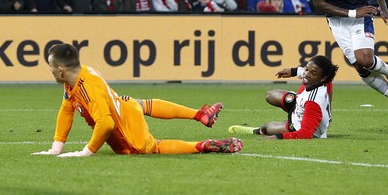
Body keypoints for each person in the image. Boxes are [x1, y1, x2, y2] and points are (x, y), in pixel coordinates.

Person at [32, 43, 242, 157]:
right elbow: (66, 110)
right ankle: (199, 114)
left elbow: (106, 124)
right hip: (126, 107)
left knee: (154, 147)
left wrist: (85, 152)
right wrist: (55, 149)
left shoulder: (87, 87)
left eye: (51, 67)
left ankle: (202, 145)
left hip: (127, 134)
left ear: (61, 70)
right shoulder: (80, 74)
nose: (50, 70)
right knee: (141, 104)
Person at [228, 56, 338, 139]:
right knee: (270, 95)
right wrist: (293, 71)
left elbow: (305, 134)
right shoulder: (321, 80)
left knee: (266, 128)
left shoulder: (313, 101)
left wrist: (278, 137)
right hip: (299, 105)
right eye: (306, 69)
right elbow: (309, 72)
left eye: (313, 73)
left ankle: (255, 131)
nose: (306, 74)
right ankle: (322, 116)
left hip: (299, 124)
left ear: (323, 78)